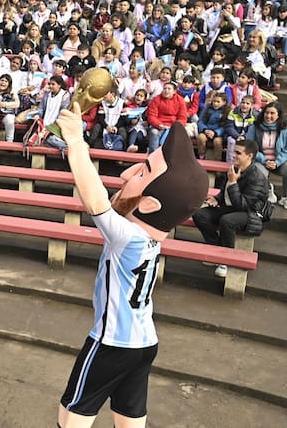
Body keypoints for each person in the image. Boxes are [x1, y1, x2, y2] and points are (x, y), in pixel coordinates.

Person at [56, 104, 208, 428]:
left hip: (111, 342)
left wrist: (76, 143)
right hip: (144, 344)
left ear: (151, 204)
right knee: (129, 421)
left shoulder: (129, 238)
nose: (126, 175)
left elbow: (95, 201)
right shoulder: (153, 240)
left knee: (71, 419)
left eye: (140, 173)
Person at [192, 139, 269, 278]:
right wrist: (217, 199)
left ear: (249, 156)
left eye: (238, 153)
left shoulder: (257, 177)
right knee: (199, 215)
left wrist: (233, 182)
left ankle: (226, 260)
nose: (234, 155)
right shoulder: (234, 168)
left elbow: (243, 206)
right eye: (234, 151)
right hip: (231, 208)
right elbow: (224, 192)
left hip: (250, 215)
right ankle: (216, 251)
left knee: (227, 220)